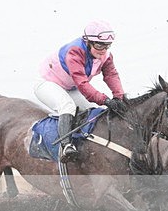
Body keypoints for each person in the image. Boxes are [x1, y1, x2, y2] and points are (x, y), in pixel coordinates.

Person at [34, 20, 128, 163]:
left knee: (93, 110)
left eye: (107, 46)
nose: (103, 50)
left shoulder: (106, 56)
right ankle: (66, 146)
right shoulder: (75, 51)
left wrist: (119, 97)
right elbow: (82, 84)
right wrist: (106, 100)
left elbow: (111, 75)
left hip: (69, 87)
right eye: (99, 45)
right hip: (47, 83)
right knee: (67, 106)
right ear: (87, 41)